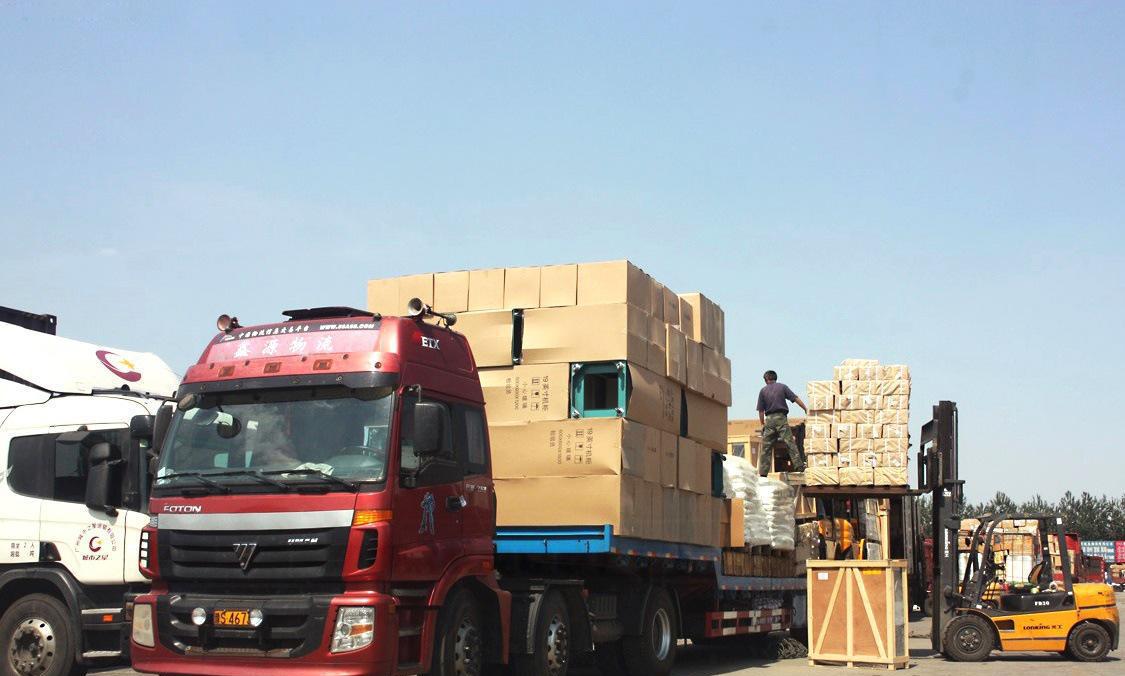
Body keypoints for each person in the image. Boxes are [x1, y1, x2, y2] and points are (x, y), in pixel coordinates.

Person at [757, 370, 808, 476]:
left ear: (766, 380)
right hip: (781, 418)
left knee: (766, 448)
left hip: (769, 420)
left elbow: (761, 411)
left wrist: (762, 423)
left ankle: (763, 473)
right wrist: (805, 408)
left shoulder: (763, 391)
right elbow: (795, 398)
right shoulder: (782, 387)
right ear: (775, 378)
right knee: (790, 443)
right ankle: (799, 466)